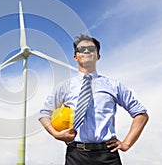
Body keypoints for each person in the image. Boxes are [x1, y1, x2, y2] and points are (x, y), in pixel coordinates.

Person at [39, 34, 148, 165]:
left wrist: (126, 143)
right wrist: (56, 134)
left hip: (107, 155)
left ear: (98, 56)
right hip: (76, 155)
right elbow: (45, 114)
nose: (86, 51)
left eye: (91, 49)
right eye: (81, 49)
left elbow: (141, 114)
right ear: (75, 57)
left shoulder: (113, 85)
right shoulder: (64, 87)